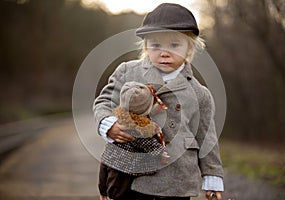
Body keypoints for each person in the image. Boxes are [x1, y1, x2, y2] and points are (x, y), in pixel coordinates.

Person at [94, 3, 224, 200]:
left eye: (174, 45)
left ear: (190, 48)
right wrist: (108, 124)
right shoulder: (127, 71)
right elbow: (103, 101)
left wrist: (212, 176)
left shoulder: (200, 93)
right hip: (131, 178)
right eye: (156, 45)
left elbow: (207, 138)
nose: (164, 52)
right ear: (146, 46)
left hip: (177, 181)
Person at [99, 81, 169, 200]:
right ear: (147, 109)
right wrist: (161, 152)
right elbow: (149, 144)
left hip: (114, 183)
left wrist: (102, 189)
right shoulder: (141, 130)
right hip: (133, 183)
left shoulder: (117, 128)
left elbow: (104, 163)